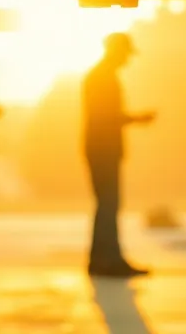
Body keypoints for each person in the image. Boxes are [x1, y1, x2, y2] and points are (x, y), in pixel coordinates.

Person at [81, 31, 157, 277]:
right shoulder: (102, 78)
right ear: (117, 51)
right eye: (126, 53)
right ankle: (108, 259)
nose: (127, 59)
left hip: (102, 149)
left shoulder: (101, 76)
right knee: (108, 203)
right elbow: (105, 117)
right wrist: (137, 118)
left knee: (107, 203)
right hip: (103, 149)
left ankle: (103, 258)